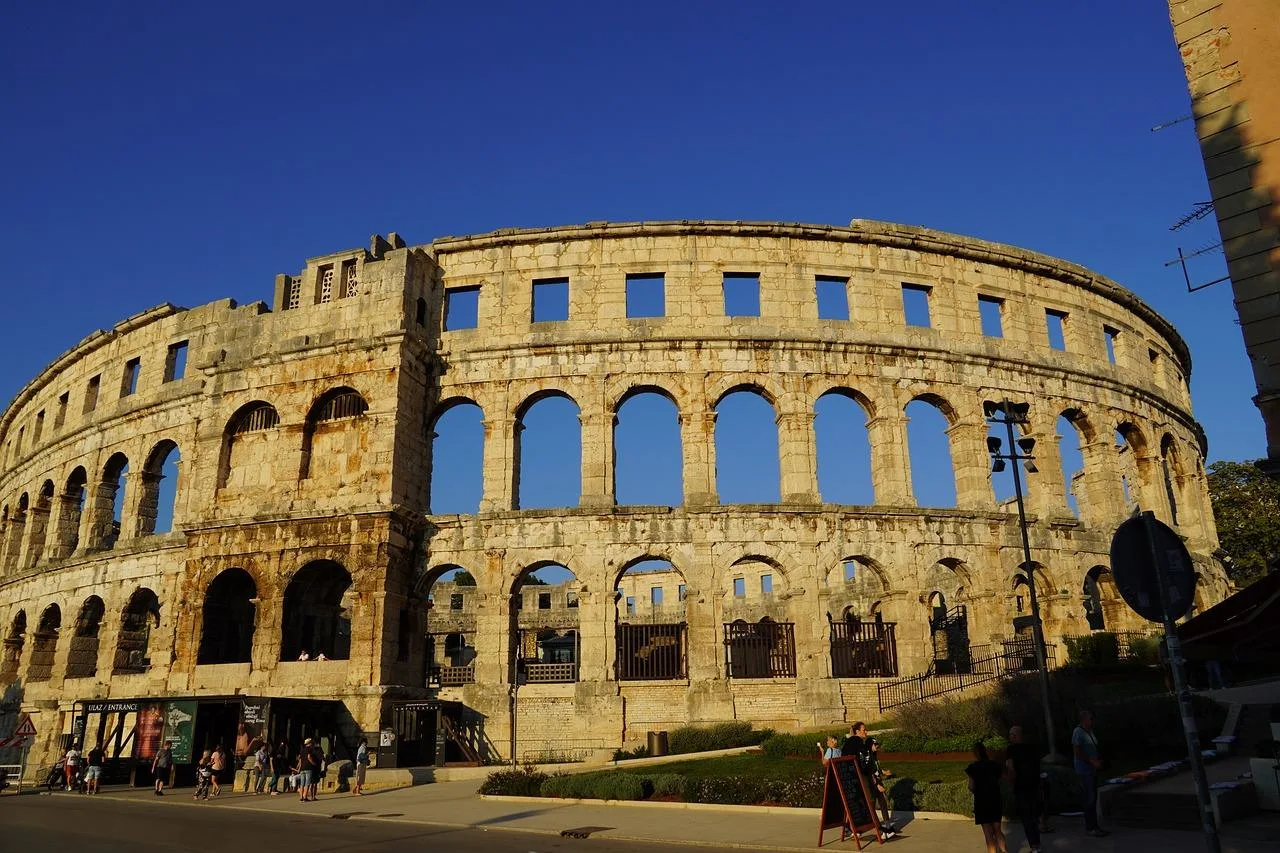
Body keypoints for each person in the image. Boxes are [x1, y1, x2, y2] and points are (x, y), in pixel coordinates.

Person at [849, 721, 897, 835]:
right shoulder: (857, 745)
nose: (866, 732)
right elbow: (867, 769)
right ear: (857, 731)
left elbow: (871, 767)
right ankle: (877, 829)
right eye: (864, 730)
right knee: (868, 804)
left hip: (866, 779)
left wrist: (881, 773)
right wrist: (876, 783)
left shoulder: (868, 751)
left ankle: (878, 828)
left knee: (872, 803)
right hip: (859, 779)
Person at [1072, 710, 1109, 837]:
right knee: (1089, 798)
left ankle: (1095, 826)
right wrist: (1091, 761)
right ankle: (1090, 827)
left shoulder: (1090, 732)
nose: (1092, 721)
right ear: (1084, 720)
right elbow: (1077, 751)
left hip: (1092, 769)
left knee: (1093, 797)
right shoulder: (1078, 732)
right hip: (1084, 770)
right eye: (1090, 718)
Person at [1005, 726, 1042, 853]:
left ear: (1015, 736)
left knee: (1026, 818)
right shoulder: (1032, 749)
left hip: (1021, 786)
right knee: (1033, 817)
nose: (1010, 737)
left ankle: (1034, 846)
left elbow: (1011, 768)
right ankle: (1037, 844)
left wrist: (1011, 782)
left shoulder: (1011, 750)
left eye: (1011, 735)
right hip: (1034, 786)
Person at [966, 741, 1006, 853]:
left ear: (975, 753)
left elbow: (971, 786)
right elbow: (1003, 778)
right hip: (995, 799)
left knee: (988, 833)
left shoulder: (973, 768)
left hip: (982, 801)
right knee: (997, 830)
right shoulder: (995, 765)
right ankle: (1004, 850)